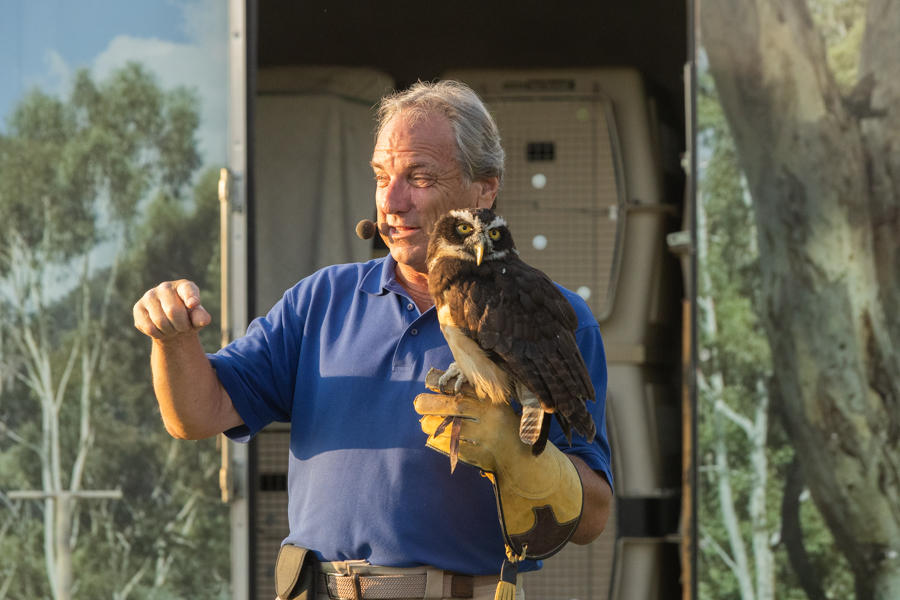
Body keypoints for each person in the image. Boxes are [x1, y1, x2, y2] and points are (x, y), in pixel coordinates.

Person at [133, 80, 613, 600]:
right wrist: (172, 339)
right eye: (382, 177)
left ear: (484, 189)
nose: (391, 200)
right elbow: (195, 415)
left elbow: (593, 516)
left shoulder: (552, 315)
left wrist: (524, 460)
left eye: (420, 178)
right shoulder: (321, 300)